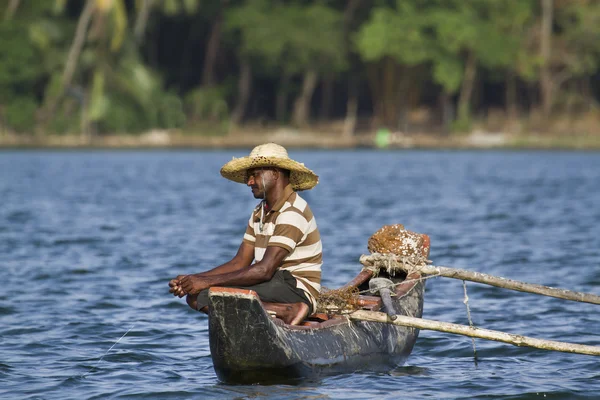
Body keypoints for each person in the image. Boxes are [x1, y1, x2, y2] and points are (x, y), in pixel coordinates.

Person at [168, 143, 322, 325]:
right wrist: (193, 280)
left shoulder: (292, 211)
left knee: (207, 294)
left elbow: (264, 270)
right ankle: (277, 312)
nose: (249, 182)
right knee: (196, 297)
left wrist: (205, 283)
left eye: (255, 175)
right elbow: (240, 262)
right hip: (273, 282)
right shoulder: (260, 212)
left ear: (274, 173)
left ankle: (288, 310)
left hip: (295, 289)